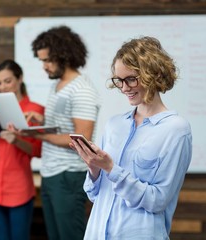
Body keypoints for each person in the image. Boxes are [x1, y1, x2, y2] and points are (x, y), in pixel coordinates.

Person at [70, 36, 192, 239]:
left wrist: (111, 168)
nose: (124, 88)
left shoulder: (176, 130)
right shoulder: (114, 124)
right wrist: (94, 168)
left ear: (153, 75)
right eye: (119, 80)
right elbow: (93, 194)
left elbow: (157, 201)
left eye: (131, 79)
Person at [26, 26, 100, 240]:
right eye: (41, 61)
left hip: (69, 175)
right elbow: (64, 124)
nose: (44, 66)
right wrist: (42, 121)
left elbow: (81, 138)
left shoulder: (82, 90)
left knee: (70, 235)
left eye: (47, 60)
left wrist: (39, 135)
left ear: (65, 56)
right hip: (51, 173)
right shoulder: (59, 85)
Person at [0, 59, 44, 240]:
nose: (2, 87)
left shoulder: (34, 110)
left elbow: (37, 151)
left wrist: (15, 140)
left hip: (18, 188)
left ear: (19, 79)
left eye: (7, 81)